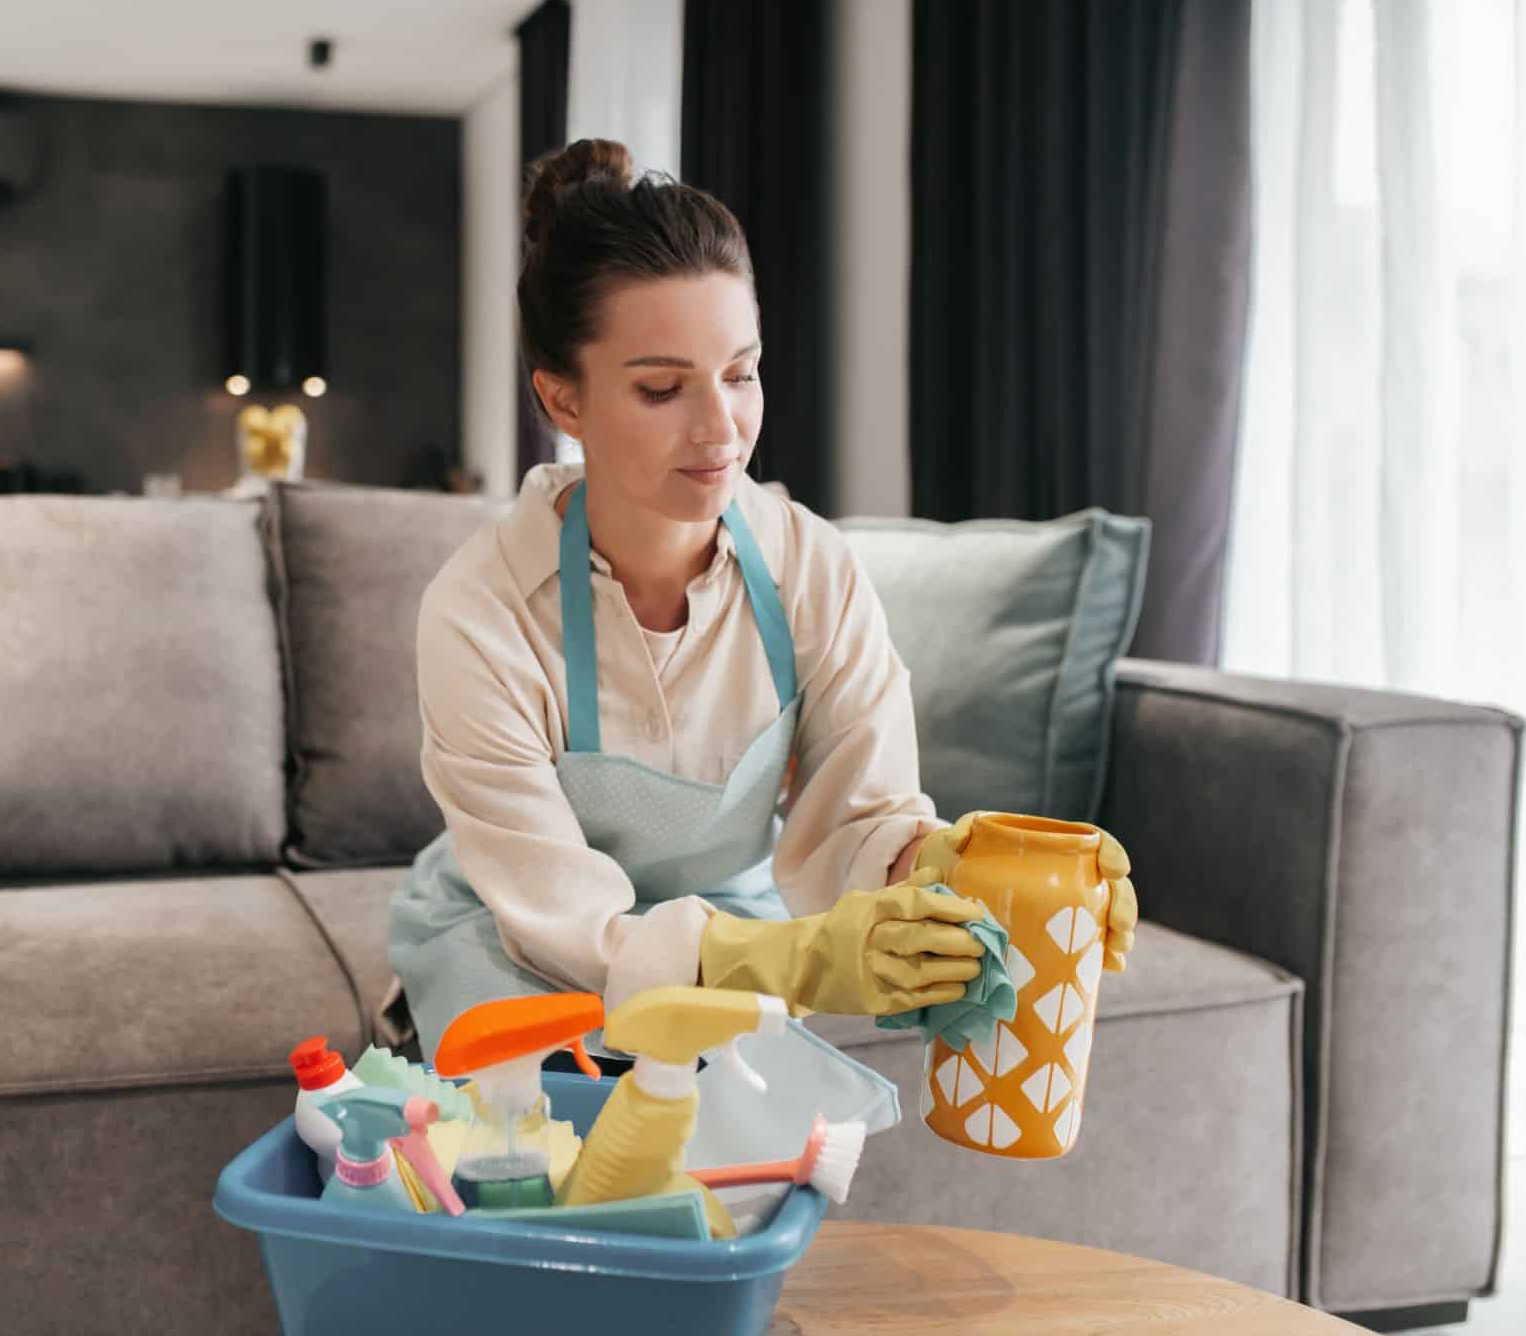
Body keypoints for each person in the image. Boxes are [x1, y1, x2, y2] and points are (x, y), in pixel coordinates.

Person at [382, 139, 1137, 1070]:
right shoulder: (481, 613)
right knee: (546, 1132)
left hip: (733, 926)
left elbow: (862, 823)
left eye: (740, 373)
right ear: (561, 397)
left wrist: (973, 868)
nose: (720, 428)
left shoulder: (810, 569)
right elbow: (566, 923)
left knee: (753, 1148)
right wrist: (802, 960)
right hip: (523, 935)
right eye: (661, 387)